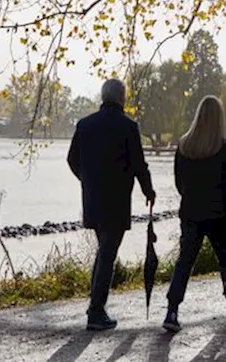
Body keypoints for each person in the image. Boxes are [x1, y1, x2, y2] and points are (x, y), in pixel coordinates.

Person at [67, 78, 156, 331]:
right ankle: (96, 311)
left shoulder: (85, 125)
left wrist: (87, 180)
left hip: (93, 198)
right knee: (107, 252)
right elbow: (139, 164)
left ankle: (96, 305)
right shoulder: (128, 126)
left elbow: (72, 159)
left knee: (104, 250)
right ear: (121, 98)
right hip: (117, 200)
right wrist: (148, 190)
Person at [162, 96, 226, 333]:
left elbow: (179, 184)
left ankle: (172, 310)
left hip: (191, 212)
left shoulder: (184, 147)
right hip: (218, 215)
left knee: (185, 261)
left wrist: (192, 198)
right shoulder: (225, 149)